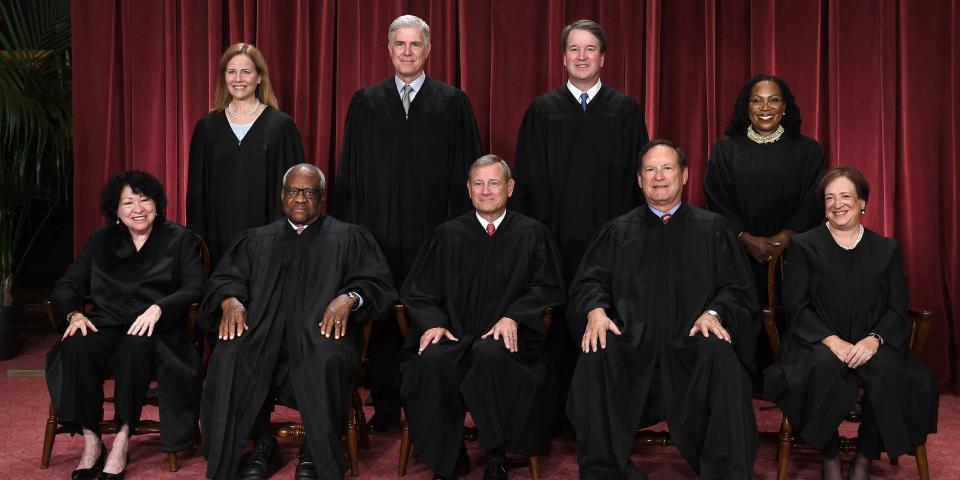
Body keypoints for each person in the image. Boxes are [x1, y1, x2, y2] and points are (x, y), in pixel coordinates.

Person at [567, 140, 759, 479]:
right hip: (631, 342)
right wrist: (596, 311)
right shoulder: (617, 232)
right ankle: (604, 470)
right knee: (596, 353)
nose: (659, 177)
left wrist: (713, 314)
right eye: (650, 170)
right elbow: (589, 282)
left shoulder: (713, 229)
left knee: (723, 357)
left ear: (684, 175)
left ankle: (726, 472)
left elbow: (737, 288)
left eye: (667, 168)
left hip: (692, 341)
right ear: (639, 180)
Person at [333, 14, 483, 432]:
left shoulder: (452, 102)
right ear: (389, 50)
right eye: (399, 44)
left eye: (415, 44)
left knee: (432, 316)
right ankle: (385, 404)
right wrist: (352, 235)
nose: (407, 52)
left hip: (434, 234)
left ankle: (432, 408)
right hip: (378, 233)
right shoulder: (366, 101)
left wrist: (462, 235)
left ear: (428, 50)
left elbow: (469, 173)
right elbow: (351, 173)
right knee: (381, 317)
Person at [200, 164, 396, 480]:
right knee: (229, 357)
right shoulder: (257, 240)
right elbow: (224, 277)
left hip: (319, 335)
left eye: (309, 192)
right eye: (293, 191)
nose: (300, 199)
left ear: (322, 197)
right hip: (262, 334)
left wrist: (349, 298)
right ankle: (262, 443)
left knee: (326, 358)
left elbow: (378, 285)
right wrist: (230, 299)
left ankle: (316, 450)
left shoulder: (348, 237)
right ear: (282, 195)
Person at [763, 167, 938, 480]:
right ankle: (829, 455)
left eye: (845, 196)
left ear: (862, 203)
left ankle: (864, 457)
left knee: (891, 371)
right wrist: (832, 341)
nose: (837, 204)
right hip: (817, 341)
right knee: (819, 368)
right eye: (830, 198)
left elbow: (897, 308)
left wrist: (873, 340)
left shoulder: (886, 249)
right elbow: (797, 306)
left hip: (872, 339)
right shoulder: (804, 246)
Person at [512, 20, 649, 415]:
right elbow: (528, 179)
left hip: (612, 242)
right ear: (563, 57)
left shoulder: (625, 109)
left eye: (590, 49)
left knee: (609, 318)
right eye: (575, 49)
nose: (582, 57)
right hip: (555, 238)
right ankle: (555, 413)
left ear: (603, 58)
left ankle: (607, 412)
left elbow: (638, 179)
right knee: (555, 325)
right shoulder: (542, 111)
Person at [400, 155, 565, 480]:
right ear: (468, 189)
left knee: (491, 354)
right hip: (455, 337)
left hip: (506, 342)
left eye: (494, 183)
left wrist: (515, 316)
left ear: (510, 187)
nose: (486, 191)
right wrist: (434, 322)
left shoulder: (532, 234)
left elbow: (549, 288)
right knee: (432, 363)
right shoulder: (447, 235)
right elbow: (417, 291)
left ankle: (496, 455)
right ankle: (446, 460)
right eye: (478, 183)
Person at [46, 171, 204, 480]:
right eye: (128, 202)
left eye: (145, 200)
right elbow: (68, 285)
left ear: (157, 204)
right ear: (115, 210)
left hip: (154, 328)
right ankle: (92, 440)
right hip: (106, 322)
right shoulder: (100, 240)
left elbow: (195, 287)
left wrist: (160, 307)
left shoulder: (178, 238)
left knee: (134, 347)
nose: (138, 208)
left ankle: (121, 437)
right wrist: (74, 315)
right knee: (76, 342)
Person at [703, 73, 826, 304]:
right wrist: (745, 238)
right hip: (738, 257)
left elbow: (816, 197)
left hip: (793, 257)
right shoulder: (725, 150)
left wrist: (788, 235)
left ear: (785, 106)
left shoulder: (808, 150)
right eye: (757, 100)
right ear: (746, 106)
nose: (765, 107)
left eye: (774, 100)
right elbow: (716, 198)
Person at [187, 43, 306, 268]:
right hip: (217, 241)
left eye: (246, 72)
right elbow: (196, 193)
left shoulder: (281, 126)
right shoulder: (207, 127)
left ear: (260, 77)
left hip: (270, 242)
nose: (238, 79)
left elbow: (295, 191)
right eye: (231, 72)